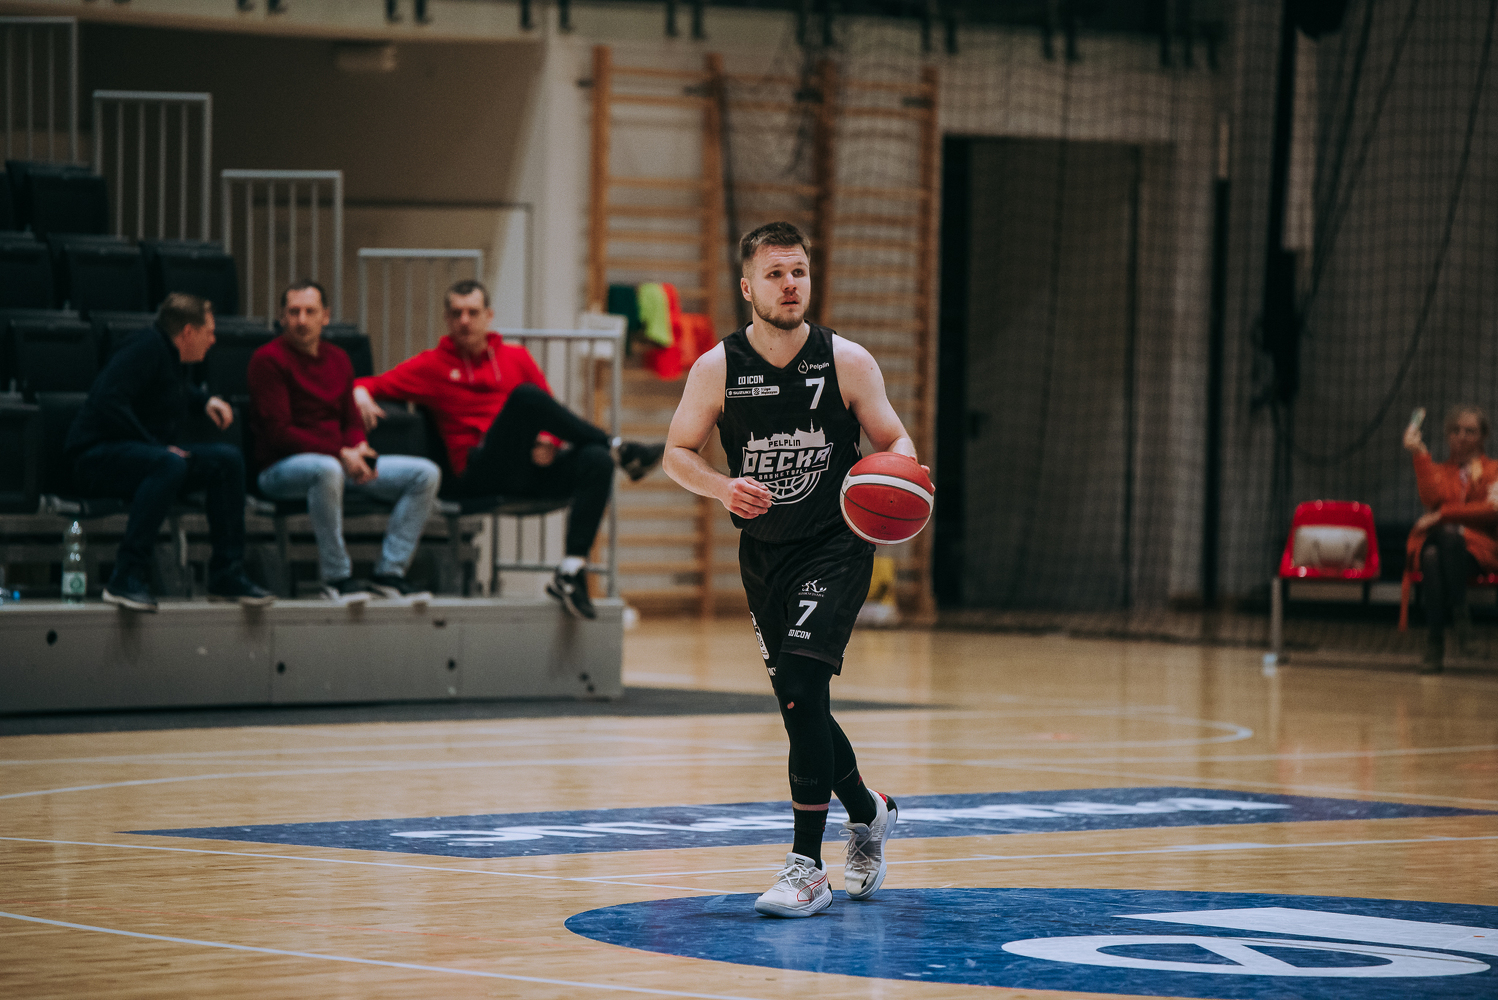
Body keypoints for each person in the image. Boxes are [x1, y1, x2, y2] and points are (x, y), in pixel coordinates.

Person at [662, 221, 920, 917]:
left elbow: (894, 438)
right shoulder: (718, 367)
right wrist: (721, 487)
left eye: (799, 272)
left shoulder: (847, 361)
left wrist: (895, 475)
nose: (790, 285)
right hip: (765, 556)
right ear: (748, 287)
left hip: (835, 546)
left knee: (804, 687)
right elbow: (677, 452)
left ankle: (807, 868)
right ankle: (868, 811)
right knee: (800, 706)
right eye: (775, 274)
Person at [352, 279, 663, 619]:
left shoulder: (515, 357)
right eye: (457, 313)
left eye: (473, 312)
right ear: (447, 319)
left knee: (596, 460)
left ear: (489, 316)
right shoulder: (431, 365)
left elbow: (551, 415)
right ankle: (621, 448)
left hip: (526, 467)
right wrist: (360, 392)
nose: (465, 321)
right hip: (477, 473)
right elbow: (370, 383)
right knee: (525, 398)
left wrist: (550, 442)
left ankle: (571, 571)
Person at [65, 293, 275, 612]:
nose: (214, 340)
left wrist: (203, 400)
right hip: (95, 459)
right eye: (209, 332)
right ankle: (125, 576)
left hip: (143, 457)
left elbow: (167, 387)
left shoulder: (168, 354)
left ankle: (226, 574)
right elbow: (108, 401)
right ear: (188, 332)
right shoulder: (144, 347)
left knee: (227, 461)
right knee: (170, 463)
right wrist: (155, 446)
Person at [249, 280, 441, 605]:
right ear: (282, 317)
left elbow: (351, 420)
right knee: (326, 469)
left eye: (310, 311)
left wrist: (359, 447)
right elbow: (280, 433)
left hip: (338, 463)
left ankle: (389, 573)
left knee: (425, 474)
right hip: (281, 469)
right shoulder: (267, 360)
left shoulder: (338, 358)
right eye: (294, 312)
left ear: (325, 316)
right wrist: (341, 453)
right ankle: (336, 577)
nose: (301, 320)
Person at [1402, 405, 1498, 673]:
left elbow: (1492, 511)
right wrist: (1419, 453)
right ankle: (1461, 621)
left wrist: (1443, 515)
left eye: (1470, 431)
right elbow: (1430, 498)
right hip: (1446, 549)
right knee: (1436, 551)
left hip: (1477, 553)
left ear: (1483, 436)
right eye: (1456, 430)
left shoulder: (1494, 470)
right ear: (1447, 435)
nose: (1462, 436)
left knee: (1437, 549)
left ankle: (1435, 645)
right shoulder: (1441, 471)